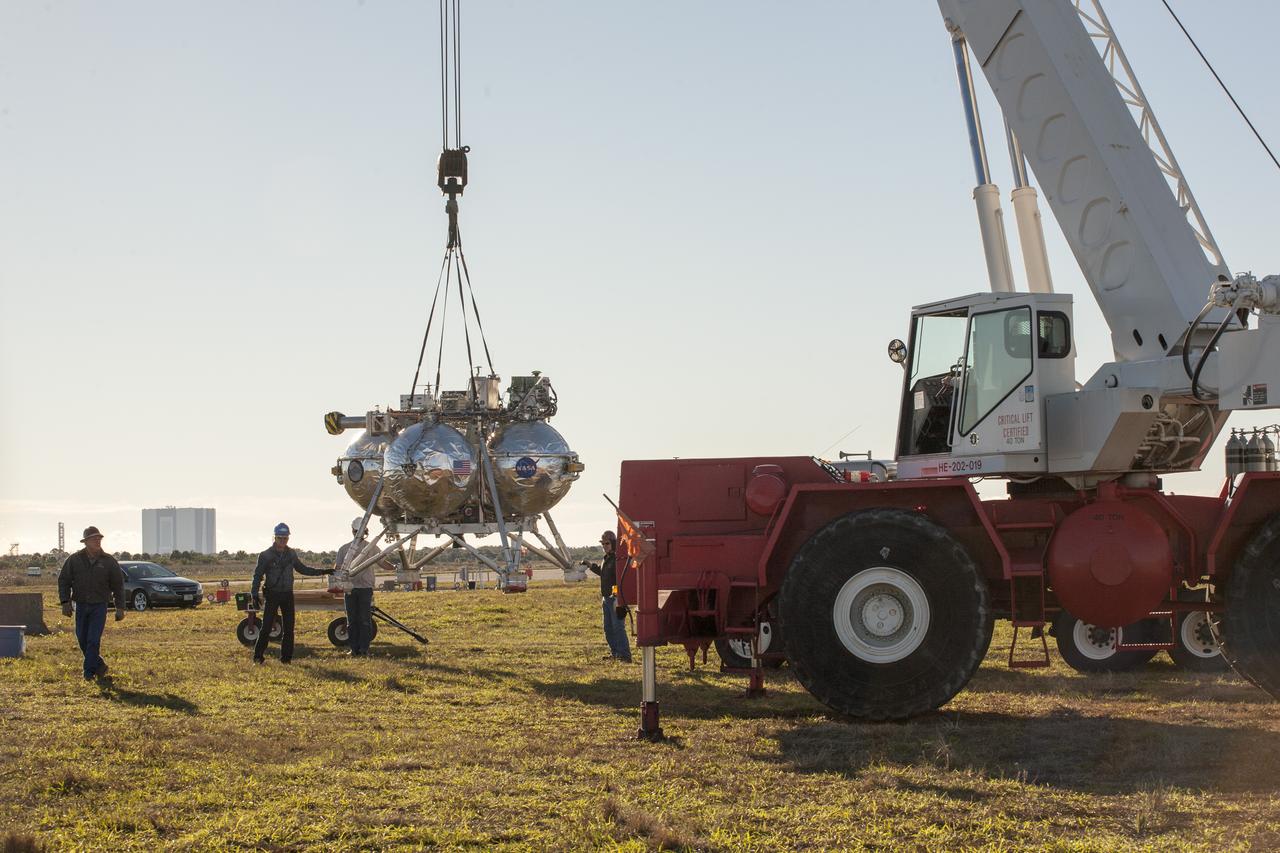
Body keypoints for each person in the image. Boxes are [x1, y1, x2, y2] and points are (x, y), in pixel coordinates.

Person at [250, 522, 328, 664]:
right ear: (274, 538)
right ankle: (258, 656)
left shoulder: (291, 554)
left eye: (285, 538)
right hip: (272, 594)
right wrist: (254, 594)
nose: (283, 541)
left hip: (287, 594)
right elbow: (257, 575)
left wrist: (323, 571)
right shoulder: (265, 555)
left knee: (289, 628)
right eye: (280, 538)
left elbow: (303, 569)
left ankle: (286, 659)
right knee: (266, 627)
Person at [57, 526, 125, 680]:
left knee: (93, 639)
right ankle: (99, 665)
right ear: (86, 542)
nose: (97, 540)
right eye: (94, 538)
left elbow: (118, 585)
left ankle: (88, 673)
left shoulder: (108, 561)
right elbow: (64, 581)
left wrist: (120, 607)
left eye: (99, 538)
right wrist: (65, 601)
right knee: (82, 639)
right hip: (80, 604)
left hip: (99, 606)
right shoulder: (74, 560)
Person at [334, 518, 393, 657]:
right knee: (353, 619)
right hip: (350, 589)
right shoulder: (344, 549)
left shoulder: (371, 548)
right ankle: (354, 649)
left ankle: (363, 649)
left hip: (365, 589)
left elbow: (382, 562)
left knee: (364, 619)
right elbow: (337, 568)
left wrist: (395, 567)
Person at [584, 530, 631, 662]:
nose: (605, 546)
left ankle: (624, 655)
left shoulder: (617, 559)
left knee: (618, 627)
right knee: (608, 628)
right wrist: (590, 565)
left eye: (607, 543)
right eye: (603, 544)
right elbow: (603, 573)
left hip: (615, 599)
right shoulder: (607, 559)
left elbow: (621, 579)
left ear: (614, 544)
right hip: (606, 599)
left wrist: (617, 598)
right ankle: (615, 653)